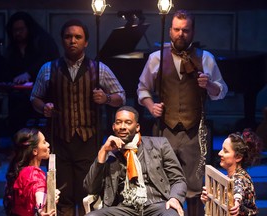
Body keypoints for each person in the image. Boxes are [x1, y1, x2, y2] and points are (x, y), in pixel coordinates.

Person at [137, 9, 228, 216]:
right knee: (162, 183)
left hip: (194, 131)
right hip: (165, 130)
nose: (181, 34)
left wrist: (210, 85)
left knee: (194, 187)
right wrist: (151, 106)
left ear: (192, 32)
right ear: (170, 31)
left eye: (185, 30)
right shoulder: (156, 58)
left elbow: (221, 91)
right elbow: (142, 89)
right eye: (177, 29)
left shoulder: (206, 58)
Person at [30, 19, 126, 216]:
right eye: (68, 37)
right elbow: (35, 98)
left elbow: (121, 96)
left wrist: (106, 98)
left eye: (77, 37)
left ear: (86, 42)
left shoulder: (99, 69)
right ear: (62, 40)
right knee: (62, 195)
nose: (72, 41)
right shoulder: (48, 68)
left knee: (87, 195)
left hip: (88, 141)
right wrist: (44, 107)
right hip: (59, 140)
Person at [83, 106, 187, 216]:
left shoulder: (159, 145)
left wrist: (174, 198)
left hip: (157, 205)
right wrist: (103, 152)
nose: (122, 127)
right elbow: (90, 188)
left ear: (137, 127)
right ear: (114, 127)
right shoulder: (109, 153)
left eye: (128, 122)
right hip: (123, 208)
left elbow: (178, 179)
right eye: (118, 123)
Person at [4, 11, 60, 134]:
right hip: (20, 94)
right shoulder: (13, 48)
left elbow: (50, 61)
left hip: (43, 92)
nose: (18, 33)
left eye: (21, 29)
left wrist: (29, 73)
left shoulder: (42, 41)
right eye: (15, 30)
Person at [201, 128, 262, 215]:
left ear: (238, 157)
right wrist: (208, 200)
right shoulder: (227, 177)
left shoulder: (242, 178)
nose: (219, 153)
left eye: (225, 151)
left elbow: (238, 187)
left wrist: (236, 201)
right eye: (222, 149)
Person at [3, 128, 60, 216]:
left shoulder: (20, 171)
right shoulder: (34, 174)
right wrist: (41, 208)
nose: (48, 144)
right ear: (34, 151)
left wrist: (49, 196)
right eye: (44, 142)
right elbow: (39, 196)